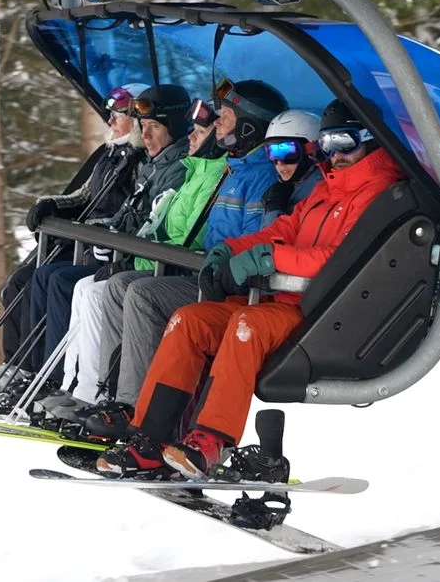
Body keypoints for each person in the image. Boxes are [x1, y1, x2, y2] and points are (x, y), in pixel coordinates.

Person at [94, 98, 406, 478]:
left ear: (369, 140)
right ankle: (148, 438)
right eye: (326, 144)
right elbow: (282, 230)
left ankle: (210, 439)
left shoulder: (377, 195)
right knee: (188, 320)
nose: (334, 154)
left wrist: (269, 260)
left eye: (343, 142)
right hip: (276, 300)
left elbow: (337, 259)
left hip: (318, 314)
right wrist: (232, 249)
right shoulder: (327, 189)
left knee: (246, 325)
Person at [79, 80, 289, 438]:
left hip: (227, 287)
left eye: (225, 117)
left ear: (250, 126)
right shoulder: (233, 171)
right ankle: (112, 396)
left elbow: (258, 243)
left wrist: (223, 263)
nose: (218, 124)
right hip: (205, 272)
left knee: (143, 295)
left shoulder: (264, 179)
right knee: (118, 287)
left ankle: (134, 407)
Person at [44, 108, 227, 415]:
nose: (192, 136)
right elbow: (148, 221)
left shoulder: (202, 173)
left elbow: (187, 240)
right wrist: (110, 235)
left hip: (182, 274)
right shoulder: (190, 169)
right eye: (143, 126)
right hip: (154, 264)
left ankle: (111, 398)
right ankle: (93, 391)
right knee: (85, 286)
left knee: (103, 291)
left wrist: (130, 259)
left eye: (201, 131)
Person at [22, 84, 192, 386]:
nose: (147, 134)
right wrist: (55, 207)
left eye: (153, 126)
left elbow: (153, 223)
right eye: (143, 126)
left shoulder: (168, 165)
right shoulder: (143, 162)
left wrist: (113, 238)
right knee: (36, 277)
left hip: (143, 264)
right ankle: (36, 374)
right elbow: (104, 202)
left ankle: (71, 383)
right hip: (123, 254)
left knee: (71, 284)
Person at [0, 84, 148, 369]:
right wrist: (49, 204)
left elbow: (133, 209)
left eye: (117, 115)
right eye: (109, 115)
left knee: (49, 282)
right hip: (81, 239)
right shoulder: (110, 153)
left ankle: (37, 369)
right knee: (21, 280)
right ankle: (13, 365)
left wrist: (97, 227)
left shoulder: (140, 160)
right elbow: (84, 196)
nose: (111, 121)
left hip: (102, 246)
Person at [259, 109, 323, 228]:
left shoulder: (319, 193)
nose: (280, 163)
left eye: (288, 153)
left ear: (312, 152)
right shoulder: (286, 189)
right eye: (273, 152)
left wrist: (274, 211)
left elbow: (275, 241)